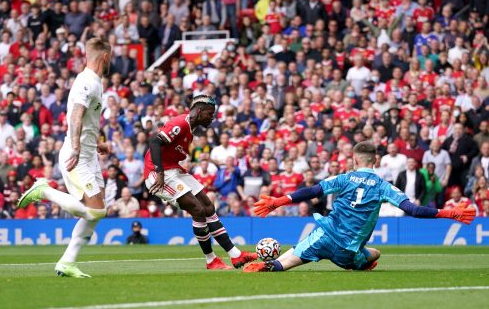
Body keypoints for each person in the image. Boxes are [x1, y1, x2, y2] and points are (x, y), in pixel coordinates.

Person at [243, 141, 475, 273]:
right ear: (375, 161)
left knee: (286, 262)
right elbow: (414, 210)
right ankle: (358, 265)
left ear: (354, 161)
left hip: (323, 236)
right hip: (347, 251)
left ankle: (270, 265)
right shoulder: (384, 186)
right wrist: (449, 212)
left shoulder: (344, 178)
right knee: (375, 254)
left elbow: (312, 191)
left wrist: (277, 201)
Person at [17, 37, 112, 278]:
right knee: (96, 211)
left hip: (89, 154)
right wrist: (78, 147)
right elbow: (76, 115)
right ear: (105, 57)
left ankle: (67, 262)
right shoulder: (88, 83)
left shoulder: (94, 82)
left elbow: (87, 120)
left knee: (97, 213)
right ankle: (44, 190)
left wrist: (97, 144)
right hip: (77, 155)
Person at [143, 94, 256, 270]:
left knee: (208, 206)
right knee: (197, 209)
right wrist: (159, 172)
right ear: (199, 111)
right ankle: (211, 260)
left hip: (174, 170)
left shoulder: (190, 130)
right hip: (159, 173)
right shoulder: (180, 123)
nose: (212, 117)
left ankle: (235, 255)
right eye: (210, 113)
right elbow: (154, 143)